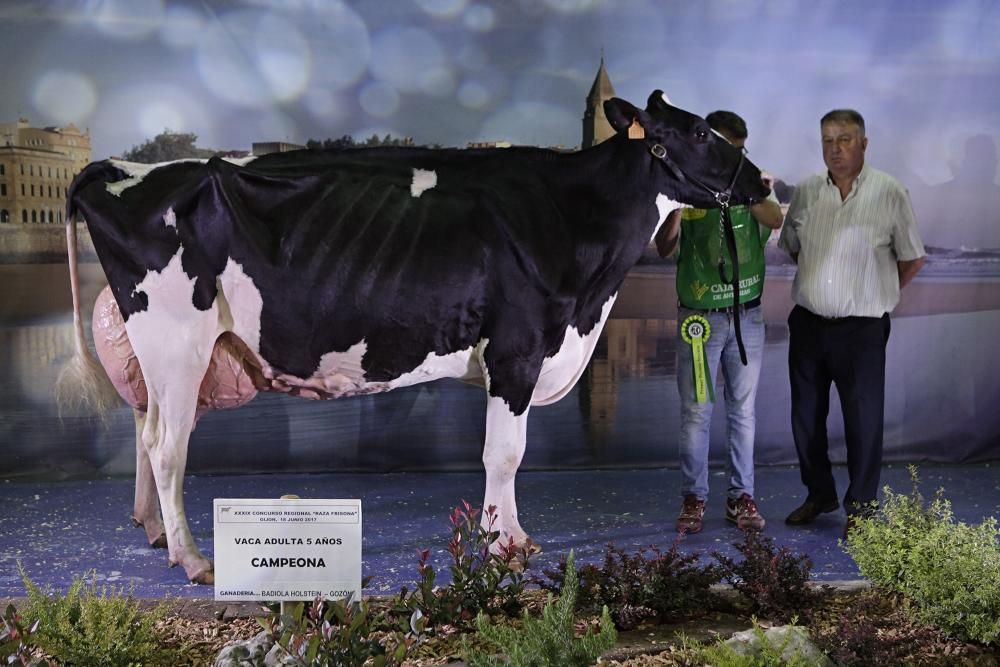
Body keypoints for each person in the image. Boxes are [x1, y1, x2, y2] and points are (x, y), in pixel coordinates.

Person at [778, 109, 926, 537]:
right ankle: (819, 494)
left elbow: (913, 257)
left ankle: (860, 507)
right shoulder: (806, 191)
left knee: (863, 421)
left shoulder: (890, 192)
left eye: (844, 139)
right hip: (807, 325)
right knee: (805, 418)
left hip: (862, 331)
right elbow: (792, 247)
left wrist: (879, 294)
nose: (835, 148)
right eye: (827, 140)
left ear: (863, 143)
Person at [655, 110, 783, 534]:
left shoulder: (750, 185)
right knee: (696, 412)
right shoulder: (690, 191)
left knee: (743, 412)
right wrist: (679, 203)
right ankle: (694, 498)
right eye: (729, 149)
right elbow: (664, 246)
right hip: (700, 322)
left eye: (740, 150)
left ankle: (741, 498)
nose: (735, 156)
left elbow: (775, 220)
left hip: (747, 317)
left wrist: (756, 190)